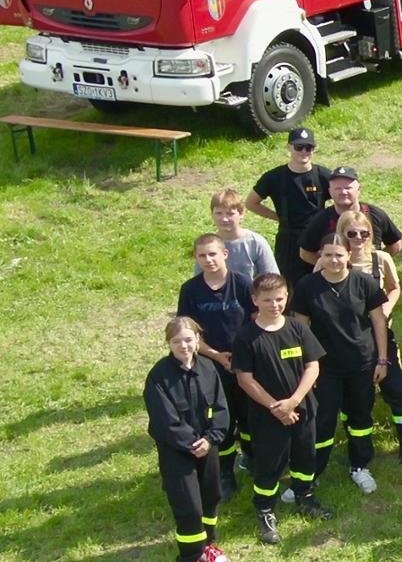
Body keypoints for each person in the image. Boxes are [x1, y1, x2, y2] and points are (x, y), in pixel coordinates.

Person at [233, 273, 330, 544]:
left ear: (287, 297)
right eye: (267, 300)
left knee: (305, 456)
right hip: (268, 416)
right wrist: (277, 407)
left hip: (302, 408)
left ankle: (304, 498)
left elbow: (313, 366)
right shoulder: (246, 336)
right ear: (255, 300)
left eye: (279, 299)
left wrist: (293, 401)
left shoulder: (298, 328)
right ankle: (265, 510)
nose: (274, 305)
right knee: (270, 464)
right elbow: (245, 379)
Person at [291, 236, 389, 495]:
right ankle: (312, 473)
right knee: (322, 420)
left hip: (362, 363)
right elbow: (300, 329)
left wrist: (382, 359)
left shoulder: (364, 282)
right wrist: (305, 367)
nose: (334, 260)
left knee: (360, 417)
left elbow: (379, 322)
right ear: (320, 256)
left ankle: (360, 466)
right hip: (324, 368)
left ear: (348, 255)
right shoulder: (307, 286)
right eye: (328, 255)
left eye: (339, 255)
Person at [337, 211, 402, 474]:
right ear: (342, 234)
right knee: (353, 398)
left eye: (364, 233)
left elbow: (395, 287)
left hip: (381, 336)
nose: (358, 238)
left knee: (397, 391)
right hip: (347, 340)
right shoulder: (332, 260)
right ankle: (357, 446)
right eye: (352, 233)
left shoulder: (381, 259)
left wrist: (385, 309)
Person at [145, 316, 230, 562]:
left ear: (198, 339)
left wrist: (211, 439)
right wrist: (192, 443)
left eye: (188, 340)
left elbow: (220, 407)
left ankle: (208, 545)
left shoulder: (208, 369)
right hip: (177, 452)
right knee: (189, 506)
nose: (183, 346)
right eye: (176, 341)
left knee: (211, 498)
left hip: (208, 446)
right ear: (168, 344)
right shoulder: (159, 376)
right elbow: (164, 420)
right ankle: (192, 555)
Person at [177, 234, 254, 497]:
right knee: (222, 421)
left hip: (245, 365)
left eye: (213, 254)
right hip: (210, 368)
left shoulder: (242, 284)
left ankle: (253, 459)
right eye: (202, 255)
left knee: (249, 418)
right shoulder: (190, 290)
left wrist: (242, 355)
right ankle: (225, 472)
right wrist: (217, 355)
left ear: (225, 254)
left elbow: (257, 321)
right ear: (196, 258)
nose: (208, 260)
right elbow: (188, 333)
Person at [246, 127, 330, 283]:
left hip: (316, 239)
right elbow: (251, 203)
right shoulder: (274, 177)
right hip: (288, 240)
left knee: (320, 283)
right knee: (288, 286)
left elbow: (344, 198)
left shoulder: (323, 176)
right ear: (289, 147)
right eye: (299, 147)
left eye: (308, 147)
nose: (304, 151)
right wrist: (277, 217)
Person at [297, 167, 401, 267]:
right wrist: (331, 266)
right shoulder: (321, 219)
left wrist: (375, 264)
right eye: (338, 188)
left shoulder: (375, 214)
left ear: (359, 189)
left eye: (348, 188)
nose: (343, 192)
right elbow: (305, 253)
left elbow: (395, 244)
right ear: (330, 192)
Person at [210, 188, 278, 281]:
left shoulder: (256, 243)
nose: (224, 219)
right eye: (219, 213)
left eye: (230, 214)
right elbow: (199, 279)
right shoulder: (208, 244)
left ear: (241, 214)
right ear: (212, 214)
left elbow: (273, 280)